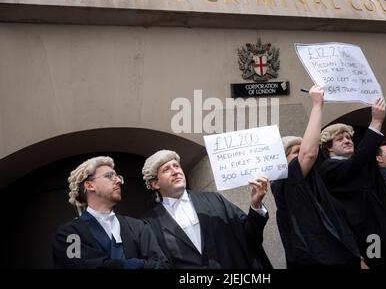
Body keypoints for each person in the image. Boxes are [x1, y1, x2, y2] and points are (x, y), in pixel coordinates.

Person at [318, 98, 386, 269]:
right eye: (340, 139)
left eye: (348, 137)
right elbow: (357, 162)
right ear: (329, 148)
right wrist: (376, 122)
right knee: (380, 265)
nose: (347, 140)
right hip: (369, 238)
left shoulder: (362, 165)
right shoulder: (329, 168)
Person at [271, 85, 363, 269]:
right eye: (295, 151)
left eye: (301, 151)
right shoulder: (284, 182)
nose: (301, 155)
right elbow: (309, 154)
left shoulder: (315, 183)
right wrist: (317, 105)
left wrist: (357, 256)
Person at [141, 150, 272, 269]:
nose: (175, 171)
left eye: (176, 166)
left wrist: (256, 204)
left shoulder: (215, 200)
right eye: (166, 169)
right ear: (155, 183)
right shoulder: (149, 222)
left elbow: (250, 236)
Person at [52, 156, 169, 269]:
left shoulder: (139, 227)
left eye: (118, 176)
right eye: (109, 176)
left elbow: (162, 265)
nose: (118, 180)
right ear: (90, 185)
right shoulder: (69, 235)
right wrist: (140, 264)